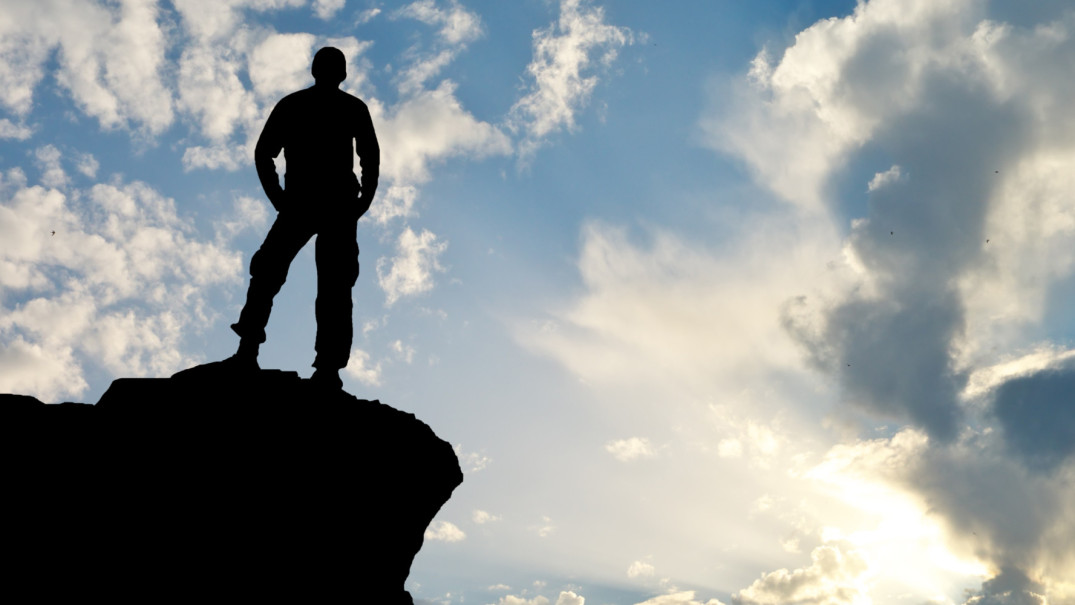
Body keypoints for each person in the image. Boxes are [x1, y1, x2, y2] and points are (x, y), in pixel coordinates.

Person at [225, 47, 379, 389]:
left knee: (332, 284)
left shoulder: (347, 107)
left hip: (332, 205)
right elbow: (264, 152)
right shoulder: (296, 104)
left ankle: (327, 368)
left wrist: (363, 200)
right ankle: (250, 348)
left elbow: (370, 156)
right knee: (270, 270)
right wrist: (278, 197)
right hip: (304, 203)